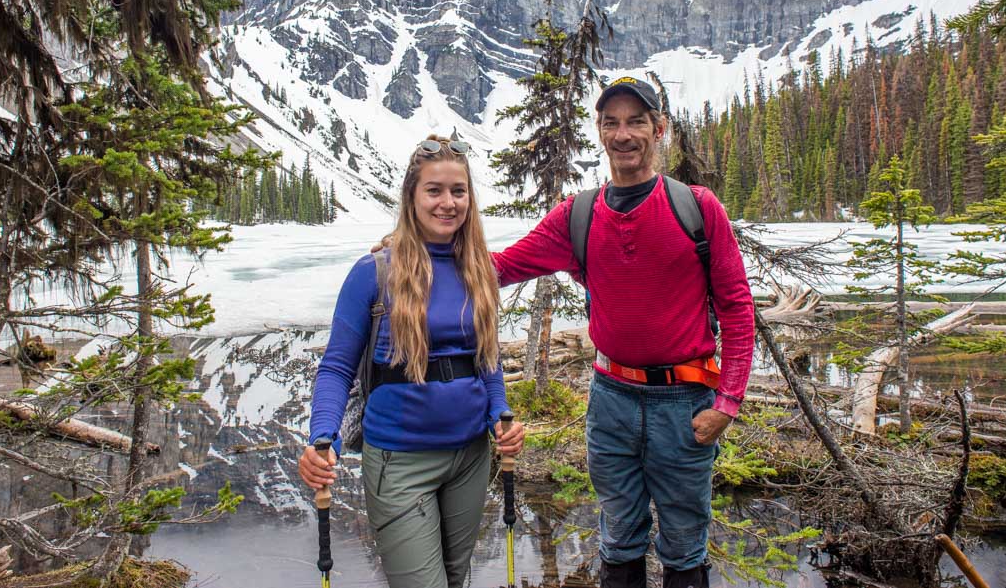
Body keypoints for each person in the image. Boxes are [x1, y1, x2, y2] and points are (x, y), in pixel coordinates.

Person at [492, 77, 756, 588]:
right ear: (600, 131)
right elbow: (500, 267)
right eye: (611, 122)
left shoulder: (697, 209)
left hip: (684, 402)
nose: (624, 133)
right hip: (610, 399)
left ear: (659, 130)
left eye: (637, 121)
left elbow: (737, 308)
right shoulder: (579, 216)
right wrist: (414, 251)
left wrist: (727, 402)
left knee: (684, 545)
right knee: (618, 540)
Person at [299, 134, 526, 588]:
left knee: (455, 578)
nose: (448, 203)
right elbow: (338, 367)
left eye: (458, 191)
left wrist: (500, 416)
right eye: (435, 191)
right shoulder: (375, 272)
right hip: (399, 460)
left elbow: (487, 360)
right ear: (412, 196)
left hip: (470, 456)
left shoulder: (477, 269)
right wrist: (323, 437)